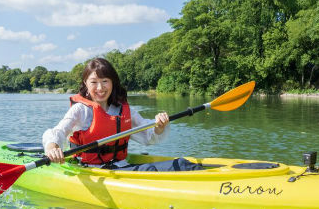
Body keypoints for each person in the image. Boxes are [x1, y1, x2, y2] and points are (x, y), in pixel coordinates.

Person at [42, 57, 203, 171]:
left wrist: (159, 126)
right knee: (165, 168)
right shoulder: (80, 110)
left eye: (105, 81)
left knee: (182, 164)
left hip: (120, 166)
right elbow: (57, 132)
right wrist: (53, 147)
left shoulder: (123, 110)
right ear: (86, 84)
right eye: (94, 82)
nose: (100, 88)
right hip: (90, 169)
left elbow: (148, 135)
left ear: (112, 83)